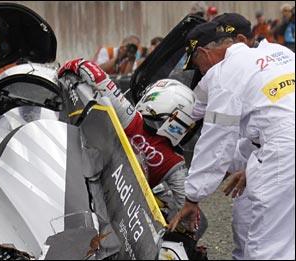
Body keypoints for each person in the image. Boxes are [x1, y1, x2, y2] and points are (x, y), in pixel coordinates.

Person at [169, 20, 295, 260]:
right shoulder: (278, 53)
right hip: (282, 148)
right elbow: (272, 117)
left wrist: (193, 196)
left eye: (197, 65)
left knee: (266, 249)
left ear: (204, 53)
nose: (202, 72)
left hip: (283, 154)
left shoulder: (225, 73)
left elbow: (216, 141)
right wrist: (250, 165)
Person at [58, 59, 198, 217]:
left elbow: (94, 74)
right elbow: (187, 210)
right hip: (115, 209)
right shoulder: (175, 163)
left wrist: (68, 67)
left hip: (90, 188)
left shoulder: (131, 117)